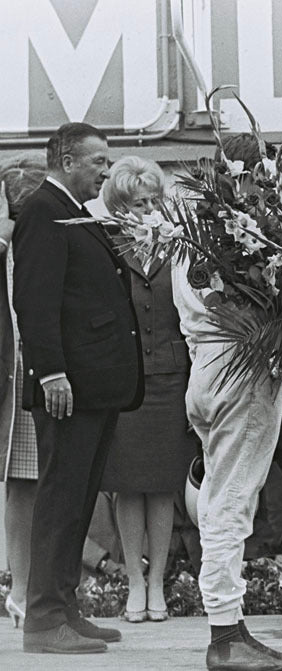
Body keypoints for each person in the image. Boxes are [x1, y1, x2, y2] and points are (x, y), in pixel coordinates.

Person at [13, 123, 143, 654]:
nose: (106, 172)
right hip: (70, 387)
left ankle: (64, 608)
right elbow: (34, 302)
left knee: (78, 500)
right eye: (98, 162)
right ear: (68, 160)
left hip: (93, 387)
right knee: (61, 500)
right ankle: (44, 620)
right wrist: (51, 374)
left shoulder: (69, 210)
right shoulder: (43, 211)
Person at [173, 133, 282, 670]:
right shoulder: (234, 231)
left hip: (205, 371)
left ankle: (232, 626)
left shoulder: (184, 231)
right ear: (242, 173)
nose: (265, 184)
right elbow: (267, 297)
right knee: (231, 504)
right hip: (240, 373)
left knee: (223, 496)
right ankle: (224, 636)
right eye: (260, 173)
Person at [99, 156, 198, 623]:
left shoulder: (179, 246)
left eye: (154, 200)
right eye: (139, 202)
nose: (149, 209)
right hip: (123, 379)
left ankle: (157, 581)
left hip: (170, 378)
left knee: (162, 486)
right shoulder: (106, 243)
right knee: (125, 485)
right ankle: (134, 583)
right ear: (120, 205)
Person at [1, 153, 48, 629]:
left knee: (36, 483)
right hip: (14, 374)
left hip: (39, 370)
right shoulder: (7, 243)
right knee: (20, 485)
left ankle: (34, 589)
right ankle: (20, 588)